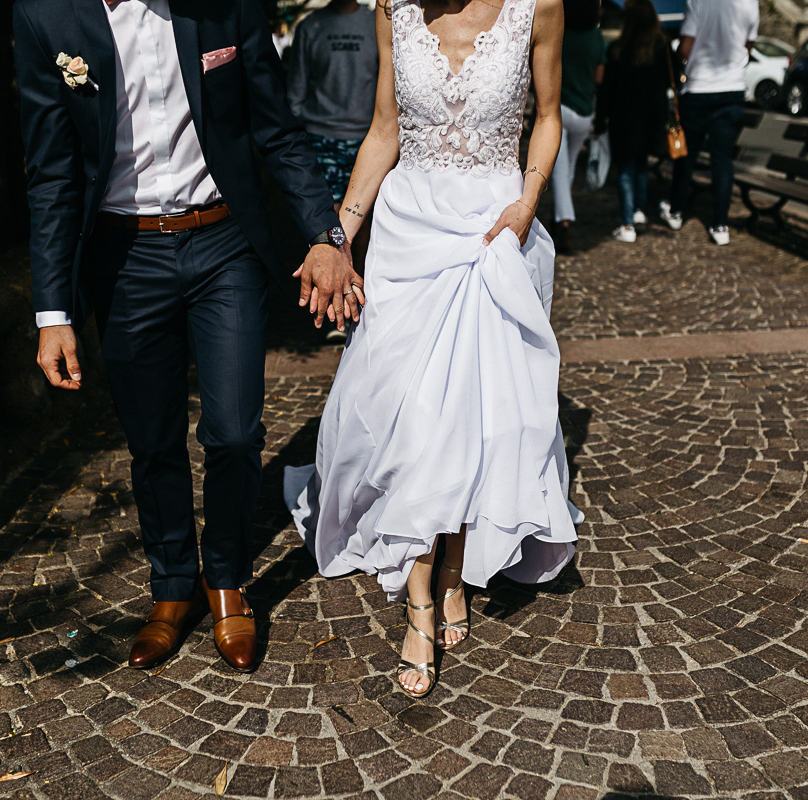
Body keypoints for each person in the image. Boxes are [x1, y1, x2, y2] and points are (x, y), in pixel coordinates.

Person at [13, 0, 363, 674]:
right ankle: (172, 587)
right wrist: (52, 314)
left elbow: (278, 130)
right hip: (123, 257)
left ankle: (226, 578)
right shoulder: (46, 18)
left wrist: (326, 234)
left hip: (224, 242)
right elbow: (51, 174)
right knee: (152, 441)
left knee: (235, 432)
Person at [285, 0, 581, 699]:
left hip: (493, 232)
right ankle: (421, 594)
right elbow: (384, 130)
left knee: (476, 417)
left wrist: (527, 202)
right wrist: (339, 237)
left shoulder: (538, 6)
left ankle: (451, 570)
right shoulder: (394, 8)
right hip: (408, 233)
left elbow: (548, 117)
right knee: (414, 414)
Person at [287, 0, 379, 340]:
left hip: (367, 139)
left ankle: (362, 303)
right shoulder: (310, 27)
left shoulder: (375, 23)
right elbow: (296, 90)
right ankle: (336, 313)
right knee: (332, 227)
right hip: (321, 137)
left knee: (364, 230)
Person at [660, 0, 759, 245]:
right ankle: (720, 224)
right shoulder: (750, 2)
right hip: (732, 89)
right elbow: (749, 44)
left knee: (687, 156)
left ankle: (676, 211)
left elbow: (685, 48)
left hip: (698, 88)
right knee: (722, 160)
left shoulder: (698, 1)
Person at [594, 0, 670, 243]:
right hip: (650, 120)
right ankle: (637, 210)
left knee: (626, 169)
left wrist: (600, 121)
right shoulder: (660, 48)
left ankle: (627, 223)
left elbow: (606, 91)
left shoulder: (617, 50)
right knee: (641, 166)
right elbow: (666, 85)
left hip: (623, 120)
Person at [550, 0, 605, 251]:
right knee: (568, 169)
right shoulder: (596, 37)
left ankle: (563, 223)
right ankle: (559, 216)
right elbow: (599, 76)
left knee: (559, 171)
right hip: (584, 112)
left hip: (559, 108)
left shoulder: (560, 32)